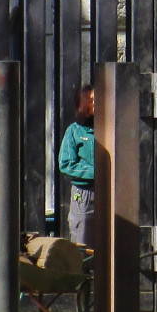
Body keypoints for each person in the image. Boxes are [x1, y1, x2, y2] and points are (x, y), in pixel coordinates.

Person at [58, 85, 96, 244]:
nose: (95, 103)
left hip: (109, 192)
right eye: (91, 100)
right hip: (85, 195)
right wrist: (96, 172)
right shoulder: (74, 131)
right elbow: (65, 164)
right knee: (83, 243)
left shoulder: (108, 128)